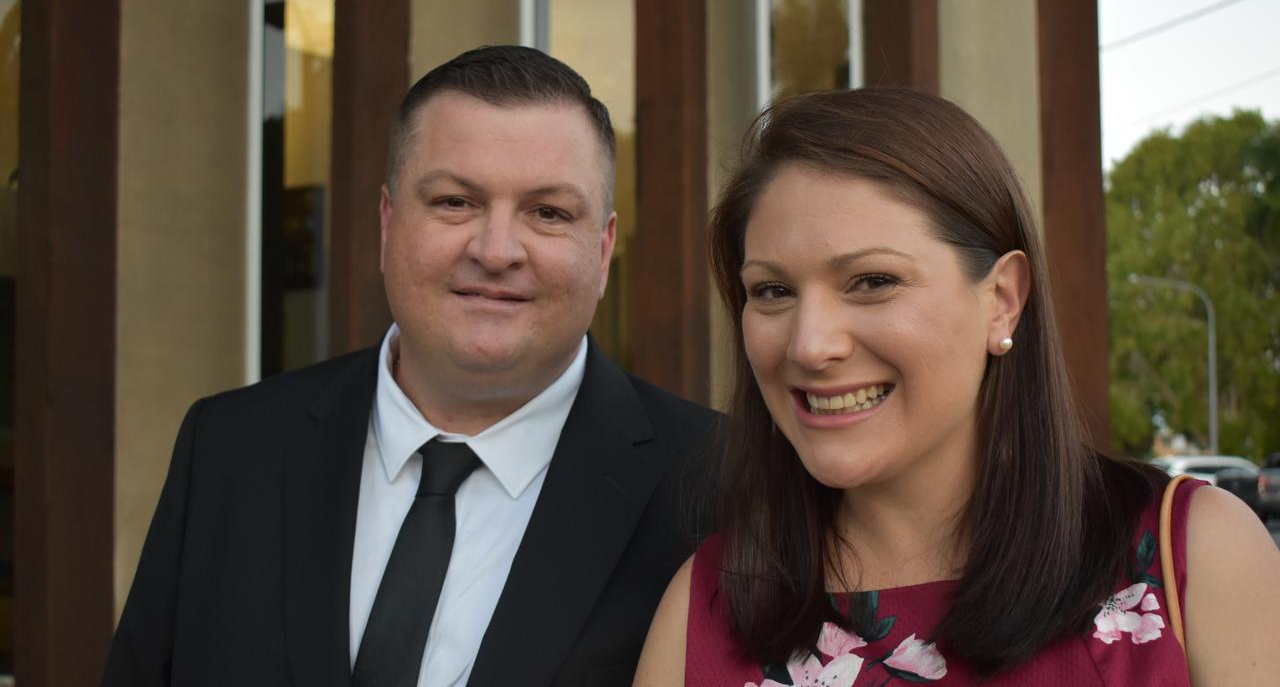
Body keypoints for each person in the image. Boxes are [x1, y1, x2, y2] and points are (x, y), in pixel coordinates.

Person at [103, 46, 716, 687]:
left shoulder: (720, 486)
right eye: (455, 202)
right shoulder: (229, 447)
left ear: (604, 247)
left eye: (548, 212)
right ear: (389, 221)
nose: (497, 250)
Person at [634, 88, 1280, 686]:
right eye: (772, 291)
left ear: (1001, 300)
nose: (810, 345)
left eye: (872, 281)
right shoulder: (705, 607)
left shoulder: (1193, 556)